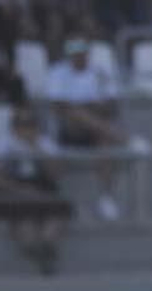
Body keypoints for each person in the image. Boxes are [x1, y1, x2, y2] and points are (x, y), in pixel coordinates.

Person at [45, 35, 132, 220]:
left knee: (105, 143)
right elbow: (58, 106)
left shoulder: (100, 72)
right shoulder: (57, 72)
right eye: (75, 54)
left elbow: (112, 105)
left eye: (82, 53)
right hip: (69, 129)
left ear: (87, 53)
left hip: (96, 129)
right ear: (69, 55)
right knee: (76, 113)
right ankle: (126, 140)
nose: (79, 57)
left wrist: (87, 108)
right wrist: (88, 107)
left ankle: (106, 199)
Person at [0, 104, 73, 274]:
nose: (27, 128)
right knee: (24, 219)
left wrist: (37, 149)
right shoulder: (1, 145)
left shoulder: (46, 145)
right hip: (13, 191)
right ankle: (38, 251)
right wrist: (20, 190)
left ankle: (47, 245)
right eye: (22, 124)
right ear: (14, 127)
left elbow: (56, 174)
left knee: (57, 211)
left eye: (31, 124)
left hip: (43, 189)